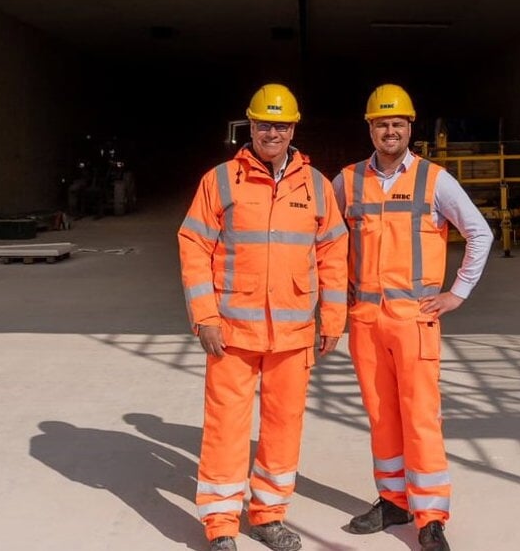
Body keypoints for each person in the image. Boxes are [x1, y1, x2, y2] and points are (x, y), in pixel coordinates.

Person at [178, 83, 348, 551]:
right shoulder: (220, 180)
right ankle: (220, 524)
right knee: (225, 426)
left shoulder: (315, 185)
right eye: (263, 124)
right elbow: (194, 245)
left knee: (283, 424)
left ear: (294, 128)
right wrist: (204, 315)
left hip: (293, 332)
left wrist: (333, 319)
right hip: (231, 329)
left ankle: (268, 514)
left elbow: (334, 251)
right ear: (248, 126)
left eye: (281, 124)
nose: (272, 132)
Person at [333, 84, 494, 551]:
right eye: (382, 123)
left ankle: (430, 516)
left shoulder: (434, 180)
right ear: (369, 127)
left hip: (415, 320)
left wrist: (457, 293)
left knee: (421, 416)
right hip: (365, 319)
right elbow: (324, 239)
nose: (389, 130)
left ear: (409, 128)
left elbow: (479, 233)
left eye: (397, 124)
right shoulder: (346, 181)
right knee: (382, 415)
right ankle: (393, 500)